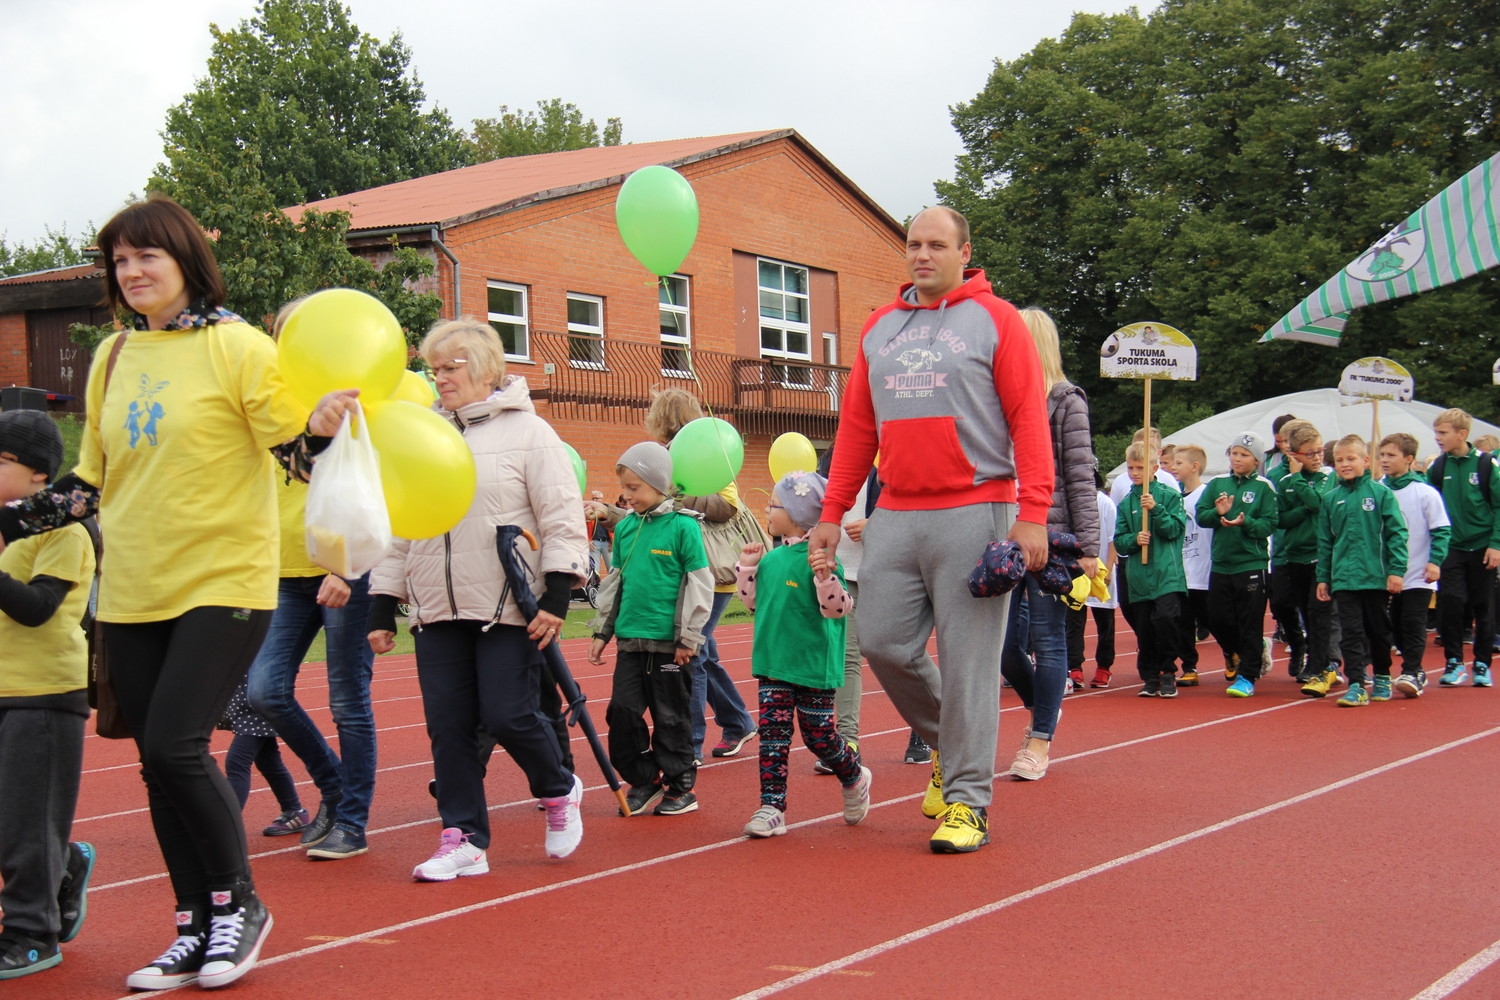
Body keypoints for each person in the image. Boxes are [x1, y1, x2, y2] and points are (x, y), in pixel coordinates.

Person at [0, 194, 355, 990]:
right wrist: (11, 520)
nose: (131, 273)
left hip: (221, 578)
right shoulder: (114, 357)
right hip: (131, 587)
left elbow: (294, 454)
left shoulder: (237, 348)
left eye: (145, 257)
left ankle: (242, 909)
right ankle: (194, 925)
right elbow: (88, 482)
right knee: (155, 767)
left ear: (185, 261)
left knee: (176, 746)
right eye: (119, 262)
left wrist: (324, 429)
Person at [809, 206, 1054, 854]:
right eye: (913, 244)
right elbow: (857, 430)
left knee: (972, 665)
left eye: (936, 245)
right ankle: (952, 747)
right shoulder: (878, 330)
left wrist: (1033, 513)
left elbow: (1030, 420)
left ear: (963, 251)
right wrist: (831, 513)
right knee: (883, 642)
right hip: (895, 510)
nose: (922, 254)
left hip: (977, 507)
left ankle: (968, 803)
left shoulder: (996, 321)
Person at [369, 318, 589, 880]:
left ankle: (559, 788)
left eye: (451, 367)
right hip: (436, 608)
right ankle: (463, 836)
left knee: (510, 713)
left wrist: (558, 595)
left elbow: (561, 516)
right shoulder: (422, 433)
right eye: (433, 367)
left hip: (506, 605)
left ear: (487, 369)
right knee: (449, 726)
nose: (439, 377)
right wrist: (383, 601)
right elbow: (403, 523)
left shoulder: (529, 432)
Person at [0, 410, 96, 980]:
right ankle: (61, 869)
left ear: (40, 476)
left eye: (2, 459)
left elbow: (38, 609)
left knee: (25, 821)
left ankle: (32, 934)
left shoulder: (65, 531)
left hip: (42, 689)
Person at [246, 472, 377, 861]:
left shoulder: (345, 425)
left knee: (348, 702)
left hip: (347, 571)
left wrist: (347, 569)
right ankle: (335, 785)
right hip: (284, 576)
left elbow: (378, 497)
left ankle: (352, 823)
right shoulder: (267, 428)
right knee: (264, 692)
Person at [736, 472, 869, 837]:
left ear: (796, 513)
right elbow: (752, 604)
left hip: (812, 666)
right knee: (773, 738)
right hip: (774, 664)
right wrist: (747, 568)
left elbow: (839, 609)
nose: (767, 509)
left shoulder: (822, 558)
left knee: (818, 737)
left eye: (774, 505)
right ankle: (771, 807)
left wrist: (825, 578)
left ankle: (854, 775)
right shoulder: (772, 559)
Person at [588, 441, 713, 815]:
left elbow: (699, 584)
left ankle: (680, 786)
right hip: (630, 642)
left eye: (634, 488)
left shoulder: (683, 528)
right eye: (624, 488)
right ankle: (645, 779)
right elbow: (615, 584)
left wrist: (689, 637)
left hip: (670, 645)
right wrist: (600, 633)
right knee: (622, 713)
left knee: (671, 716)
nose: (626, 496)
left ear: (660, 485)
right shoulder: (625, 530)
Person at [1000, 307, 1099, 780]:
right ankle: (1044, 707)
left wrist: (1090, 548)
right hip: (1004, 536)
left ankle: (1038, 741)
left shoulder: (1066, 401)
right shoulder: (1000, 399)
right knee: (1002, 647)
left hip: (1055, 537)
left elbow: (1080, 477)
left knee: (1048, 638)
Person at [643, 389, 757, 762]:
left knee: (691, 652)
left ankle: (690, 742)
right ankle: (737, 720)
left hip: (713, 573)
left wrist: (677, 497)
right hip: (686, 571)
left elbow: (728, 506)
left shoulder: (706, 451)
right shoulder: (663, 457)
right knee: (702, 653)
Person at [1315, 436, 1408, 706]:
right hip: (1344, 578)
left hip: (1375, 576)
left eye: (1351, 458)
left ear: (1366, 461)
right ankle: (1356, 682)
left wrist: (1396, 570)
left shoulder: (1381, 494)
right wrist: (1323, 577)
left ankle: (1381, 674)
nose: (1345, 464)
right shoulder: (1331, 499)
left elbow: (1397, 533)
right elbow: (1325, 542)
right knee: (1351, 632)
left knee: (1378, 631)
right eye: (1340, 460)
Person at [1195, 432, 1279, 698]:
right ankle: (1248, 651)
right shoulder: (1217, 483)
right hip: (1221, 563)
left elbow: (1270, 523)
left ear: (1256, 460)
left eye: (1244, 455)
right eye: (1234, 453)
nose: (1237, 458)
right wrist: (1218, 514)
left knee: (1249, 622)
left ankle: (1247, 675)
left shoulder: (1264, 487)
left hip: (1251, 563)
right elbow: (1201, 515)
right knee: (1218, 618)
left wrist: (1247, 523)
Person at [1427, 409, 1500, 687]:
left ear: (1462, 434)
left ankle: (1482, 663)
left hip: (1482, 546)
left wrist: (1496, 544)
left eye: (1443, 433)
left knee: (1483, 605)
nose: (1438, 438)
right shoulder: (1439, 467)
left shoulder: (1485, 465)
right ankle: (1454, 661)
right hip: (1451, 547)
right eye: (1436, 433)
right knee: (1452, 603)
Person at [1378, 432, 1450, 697]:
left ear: (1409, 459)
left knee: (1412, 622)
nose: (1384, 460)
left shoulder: (1425, 493)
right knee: (1391, 625)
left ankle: (1413, 670)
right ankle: (1387, 669)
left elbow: (1441, 530)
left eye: (1391, 455)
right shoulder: (1377, 490)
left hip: (1418, 572)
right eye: (1382, 455)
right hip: (1384, 573)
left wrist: (1434, 562)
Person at [1114, 442, 1189, 697]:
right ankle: (1150, 675)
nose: (1134, 473)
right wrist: (1135, 540)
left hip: (1166, 572)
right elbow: (1120, 540)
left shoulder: (1169, 495)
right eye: (1131, 468)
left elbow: (1175, 531)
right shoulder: (1125, 504)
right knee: (1144, 627)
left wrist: (1156, 509)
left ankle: (1168, 670)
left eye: (1140, 468)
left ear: (1154, 468)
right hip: (1139, 575)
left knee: (1166, 619)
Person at [1270, 420, 1334, 689]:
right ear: (1294, 456)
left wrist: (1299, 482)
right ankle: (1308, 652)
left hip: (1319, 555)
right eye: (1310, 454)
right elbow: (1281, 519)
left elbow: (1317, 503)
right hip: (1293, 555)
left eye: (1319, 451)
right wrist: (1301, 504)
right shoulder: (1284, 481)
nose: (1317, 458)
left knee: (1319, 612)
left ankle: (1320, 664)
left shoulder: (1328, 477)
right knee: (1299, 610)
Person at [219, 679, 308, 839]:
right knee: (268, 761)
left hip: (258, 706)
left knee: (237, 762)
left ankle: (222, 825)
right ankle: (294, 811)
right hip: (251, 703)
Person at [1066, 466, 1117, 689]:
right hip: (1076, 571)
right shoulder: (1070, 503)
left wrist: (1109, 567)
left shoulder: (1104, 503)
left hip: (1101, 569)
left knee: (1104, 621)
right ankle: (1074, 666)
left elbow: (1113, 537)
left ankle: (1104, 666)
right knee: (1074, 620)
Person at [1170, 444, 1212, 685]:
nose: (1174, 468)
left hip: (1203, 568)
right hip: (1181, 569)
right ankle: (1189, 666)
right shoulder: (1175, 496)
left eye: (1179, 463)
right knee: (1183, 621)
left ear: (1194, 467)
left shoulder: (1206, 493)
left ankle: (1232, 653)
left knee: (1212, 617)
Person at [588, 491, 612, 574]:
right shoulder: (589, 512)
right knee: (595, 570)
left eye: (597, 498)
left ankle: (613, 587)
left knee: (612, 569)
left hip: (607, 544)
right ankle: (595, 587)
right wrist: (588, 540)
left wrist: (613, 542)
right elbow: (583, 527)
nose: (595, 500)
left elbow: (614, 527)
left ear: (602, 500)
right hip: (594, 543)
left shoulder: (608, 511)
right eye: (593, 498)